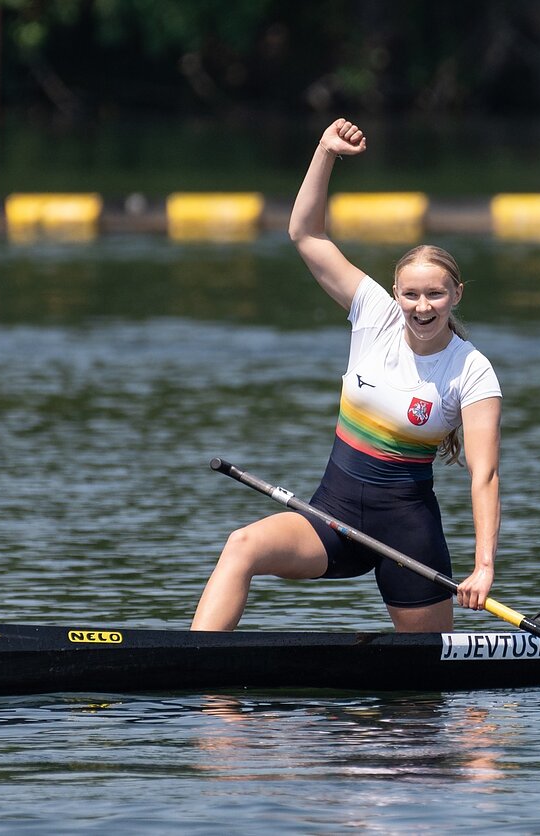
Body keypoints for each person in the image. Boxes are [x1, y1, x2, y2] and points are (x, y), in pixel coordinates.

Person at [191, 118, 501, 633]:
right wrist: (325, 151)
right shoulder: (374, 314)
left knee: (426, 681)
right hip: (331, 520)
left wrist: (483, 566)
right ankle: (197, 666)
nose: (422, 306)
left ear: (456, 295)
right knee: (242, 545)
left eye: (435, 294)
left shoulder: (471, 370)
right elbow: (305, 233)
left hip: (408, 540)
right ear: (396, 294)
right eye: (411, 294)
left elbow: (483, 475)